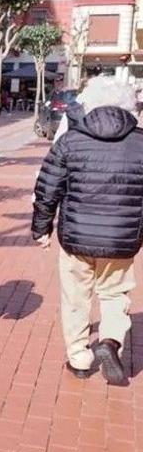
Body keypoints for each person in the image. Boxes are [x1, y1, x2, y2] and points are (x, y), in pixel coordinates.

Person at [31, 76, 143, 386]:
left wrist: (41, 228)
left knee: (75, 296)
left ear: (88, 104)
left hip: (76, 238)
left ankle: (79, 356)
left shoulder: (71, 141)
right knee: (114, 293)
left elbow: (48, 187)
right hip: (121, 239)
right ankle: (109, 341)